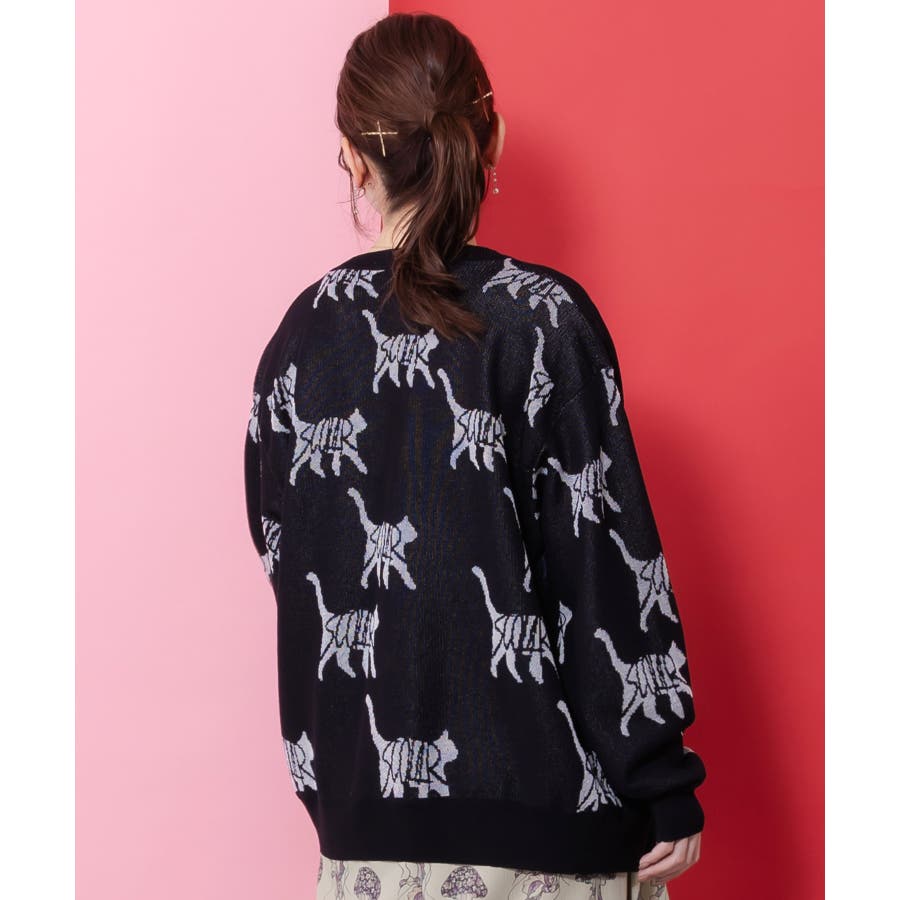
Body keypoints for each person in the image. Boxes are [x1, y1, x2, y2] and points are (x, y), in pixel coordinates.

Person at [243, 12, 706, 899]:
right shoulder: (543, 318)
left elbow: (287, 555)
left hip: (363, 839)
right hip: (549, 834)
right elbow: (601, 560)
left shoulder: (299, 338)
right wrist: (661, 775)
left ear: (352, 157)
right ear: (491, 137)